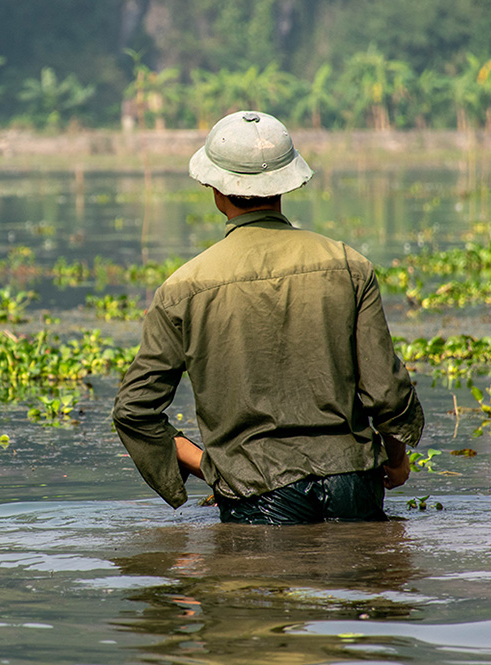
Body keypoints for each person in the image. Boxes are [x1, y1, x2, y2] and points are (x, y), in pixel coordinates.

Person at [112, 110, 423, 525]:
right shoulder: (349, 265)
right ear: (287, 184)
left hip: (257, 495)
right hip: (355, 482)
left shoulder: (182, 290)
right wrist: (398, 461)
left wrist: (213, 467)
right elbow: (386, 391)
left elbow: (134, 411)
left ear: (214, 188)